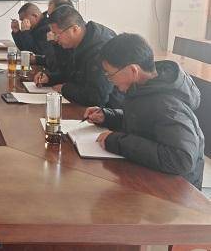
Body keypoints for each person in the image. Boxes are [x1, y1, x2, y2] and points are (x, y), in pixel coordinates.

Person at [83, 33, 204, 189]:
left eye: (110, 74)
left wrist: (117, 141)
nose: (110, 80)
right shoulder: (143, 88)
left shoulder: (167, 105)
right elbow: (143, 122)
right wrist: (108, 116)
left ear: (133, 70)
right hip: (152, 174)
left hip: (175, 190)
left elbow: (181, 160)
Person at [33, 6, 123, 107]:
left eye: (56, 34)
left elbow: (97, 97)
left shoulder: (100, 50)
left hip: (108, 109)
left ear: (75, 29)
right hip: (85, 105)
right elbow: (71, 74)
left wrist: (64, 89)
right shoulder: (76, 42)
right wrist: (50, 78)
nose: (55, 39)